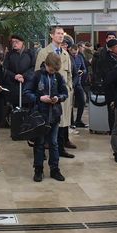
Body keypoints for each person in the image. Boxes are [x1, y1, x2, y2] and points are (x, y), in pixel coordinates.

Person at [24, 52, 68, 182]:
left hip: (54, 114)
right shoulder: (37, 75)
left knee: (54, 143)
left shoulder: (58, 77)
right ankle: (38, 169)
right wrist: (39, 98)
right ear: (46, 65)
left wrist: (58, 98)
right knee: (39, 143)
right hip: (40, 115)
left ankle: (55, 169)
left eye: (55, 70)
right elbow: (27, 92)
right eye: (51, 69)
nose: (52, 72)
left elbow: (64, 93)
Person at [35, 26, 75, 158]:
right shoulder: (43, 52)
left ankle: (60, 149)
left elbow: (69, 74)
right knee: (46, 123)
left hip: (61, 95)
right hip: (47, 94)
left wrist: (69, 88)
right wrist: (42, 94)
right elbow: (38, 74)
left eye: (62, 34)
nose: (61, 36)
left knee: (61, 123)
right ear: (51, 35)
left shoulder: (65, 53)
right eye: (58, 33)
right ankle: (42, 151)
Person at [4, 34, 36, 108]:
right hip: (13, 87)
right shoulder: (9, 54)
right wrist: (14, 76)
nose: (14, 44)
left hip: (26, 86)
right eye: (13, 42)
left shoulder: (30, 53)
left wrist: (23, 76)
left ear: (22, 42)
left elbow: (33, 67)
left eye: (17, 42)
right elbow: (5, 69)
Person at [70, 42, 88, 128]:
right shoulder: (68, 58)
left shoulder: (80, 57)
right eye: (73, 53)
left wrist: (82, 72)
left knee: (82, 101)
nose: (75, 54)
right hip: (70, 83)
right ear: (70, 51)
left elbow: (84, 69)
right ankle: (71, 121)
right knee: (70, 103)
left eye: (76, 53)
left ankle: (78, 120)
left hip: (78, 83)